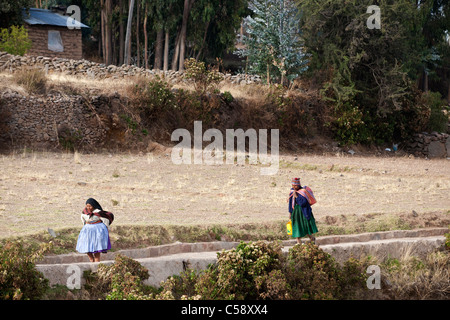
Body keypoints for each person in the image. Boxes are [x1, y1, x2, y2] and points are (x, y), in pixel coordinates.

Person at [76, 198, 111, 262]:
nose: (88, 207)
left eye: (90, 206)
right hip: (87, 230)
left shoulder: (99, 212)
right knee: (85, 244)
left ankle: (96, 263)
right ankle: (91, 259)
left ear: (94, 205)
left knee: (97, 246)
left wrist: (106, 228)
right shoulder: (84, 212)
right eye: (87, 206)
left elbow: (106, 220)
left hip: (98, 230)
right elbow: (83, 219)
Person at [288, 178, 318, 245]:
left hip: (304, 211)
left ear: (298, 185)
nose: (294, 187)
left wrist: (296, 197)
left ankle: (312, 239)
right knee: (296, 225)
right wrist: (290, 212)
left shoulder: (303, 192)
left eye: (295, 186)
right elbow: (290, 203)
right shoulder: (292, 191)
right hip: (296, 212)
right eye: (293, 186)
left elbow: (303, 203)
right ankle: (298, 242)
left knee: (305, 226)